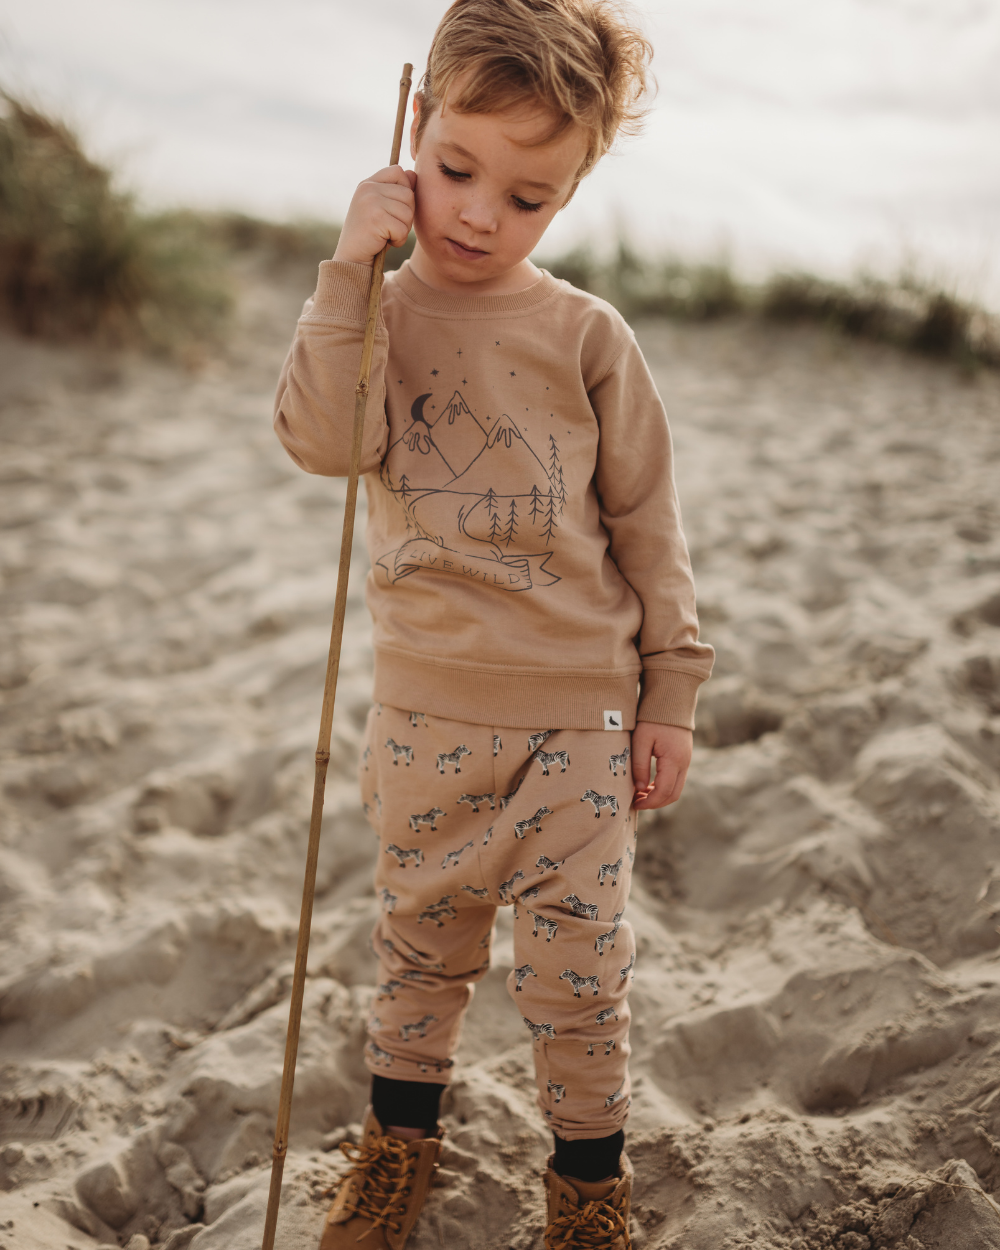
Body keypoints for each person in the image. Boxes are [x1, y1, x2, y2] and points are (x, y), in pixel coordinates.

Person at [274, 1, 714, 1245]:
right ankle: (396, 1146)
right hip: (424, 712)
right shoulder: (375, 308)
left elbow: (646, 521)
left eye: (527, 197)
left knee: (579, 976)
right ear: (415, 124)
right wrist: (348, 270)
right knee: (420, 950)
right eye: (457, 169)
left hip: (577, 717)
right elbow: (322, 439)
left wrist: (671, 688)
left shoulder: (586, 334)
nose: (477, 213)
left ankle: (586, 1187)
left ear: (568, 197)